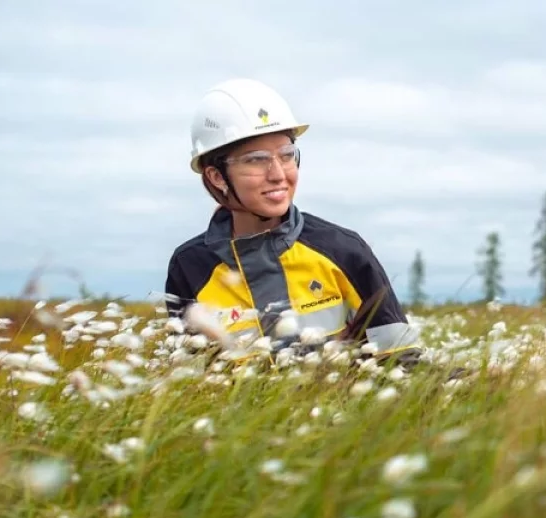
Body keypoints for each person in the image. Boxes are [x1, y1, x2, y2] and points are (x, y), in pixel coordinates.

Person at [163, 78, 420, 364]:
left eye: (286, 156)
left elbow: (403, 363)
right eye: (256, 160)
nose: (278, 174)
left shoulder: (343, 250)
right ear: (216, 176)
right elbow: (188, 381)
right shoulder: (191, 265)